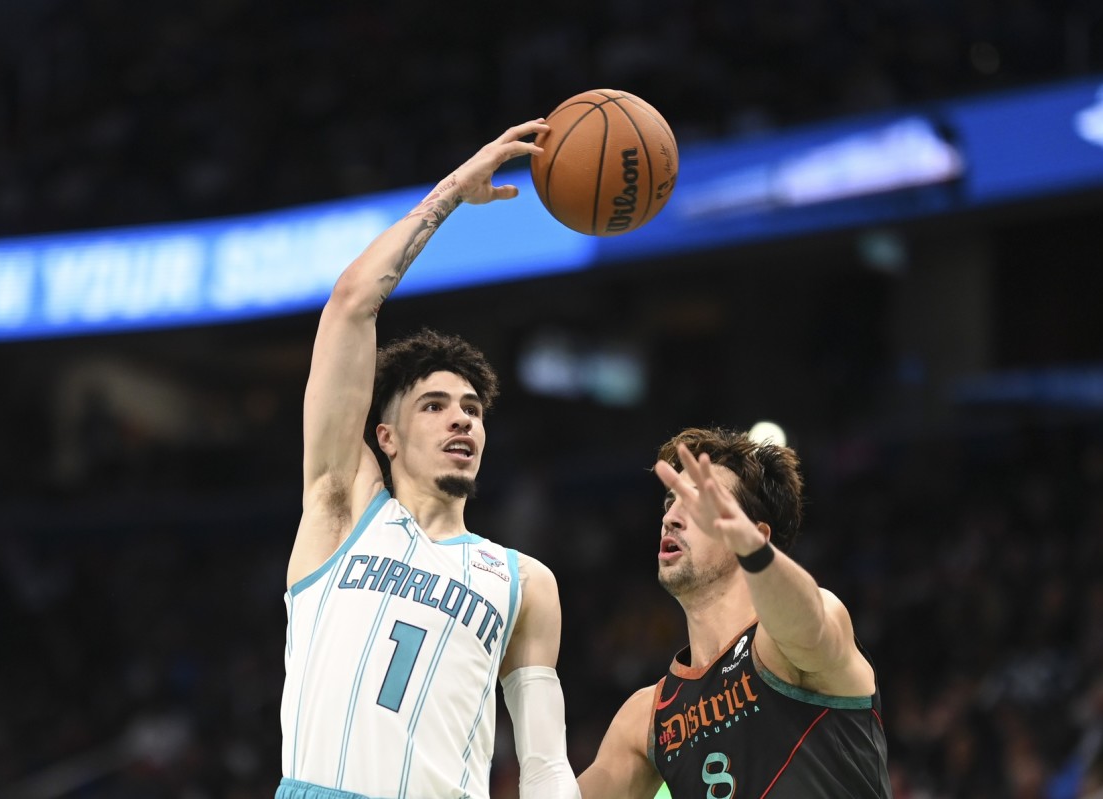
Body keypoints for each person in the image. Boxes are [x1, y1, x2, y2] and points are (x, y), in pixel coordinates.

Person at [277, 119, 580, 799]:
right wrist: (451, 194)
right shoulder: (341, 508)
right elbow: (351, 304)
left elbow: (545, 763)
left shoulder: (525, 582)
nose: (461, 418)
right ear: (385, 437)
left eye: (472, 408)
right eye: (435, 405)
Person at [577, 427, 893, 798]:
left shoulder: (790, 642)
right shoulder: (647, 718)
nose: (671, 518)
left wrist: (753, 550)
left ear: (756, 533)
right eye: (670, 503)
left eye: (698, 504)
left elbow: (807, 623)